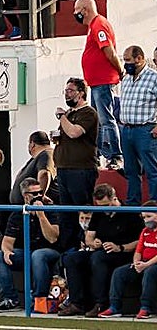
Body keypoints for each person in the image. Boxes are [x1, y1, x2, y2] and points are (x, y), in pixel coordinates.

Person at [60, 183, 143, 317]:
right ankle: (77, 303)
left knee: (97, 258)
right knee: (71, 258)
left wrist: (120, 247)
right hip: (101, 250)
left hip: (123, 252)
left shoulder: (130, 213)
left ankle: (101, 303)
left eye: (106, 205)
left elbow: (140, 241)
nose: (103, 209)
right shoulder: (99, 213)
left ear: (114, 199)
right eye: (100, 206)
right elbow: (89, 237)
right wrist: (94, 243)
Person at [0, 177, 60, 312]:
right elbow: (7, 242)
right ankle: (10, 299)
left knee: (38, 255)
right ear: (26, 196)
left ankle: (39, 299)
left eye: (40, 192)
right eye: (34, 194)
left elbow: (52, 238)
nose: (39, 196)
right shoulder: (17, 214)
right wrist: (6, 251)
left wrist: (41, 216)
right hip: (26, 252)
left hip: (49, 252)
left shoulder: (50, 210)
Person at [75, 0, 124, 170]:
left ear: (85, 10)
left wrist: (120, 71)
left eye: (77, 10)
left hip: (103, 81)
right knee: (98, 120)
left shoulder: (99, 25)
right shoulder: (93, 26)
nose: (75, 14)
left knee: (106, 119)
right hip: (96, 82)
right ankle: (99, 154)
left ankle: (115, 156)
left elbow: (109, 51)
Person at [55, 77, 102, 251]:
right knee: (66, 214)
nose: (67, 94)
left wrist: (61, 117)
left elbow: (75, 132)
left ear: (81, 93)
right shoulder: (69, 114)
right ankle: (68, 251)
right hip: (64, 169)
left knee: (83, 210)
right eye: (66, 91)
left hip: (80, 170)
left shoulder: (88, 113)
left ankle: (86, 245)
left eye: (71, 91)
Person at [101, 202, 157, 319]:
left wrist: (145, 265)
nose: (146, 220)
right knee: (119, 272)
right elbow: (138, 250)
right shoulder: (145, 231)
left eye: (149, 216)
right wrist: (136, 262)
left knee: (150, 272)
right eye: (144, 217)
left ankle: (145, 308)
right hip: (143, 263)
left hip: (152, 264)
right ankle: (115, 306)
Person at [119, 45, 157, 206]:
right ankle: (133, 204)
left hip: (145, 129)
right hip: (127, 129)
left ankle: (154, 204)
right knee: (130, 170)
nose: (126, 63)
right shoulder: (126, 79)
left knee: (151, 170)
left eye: (128, 60)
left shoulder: (153, 77)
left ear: (139, 58)